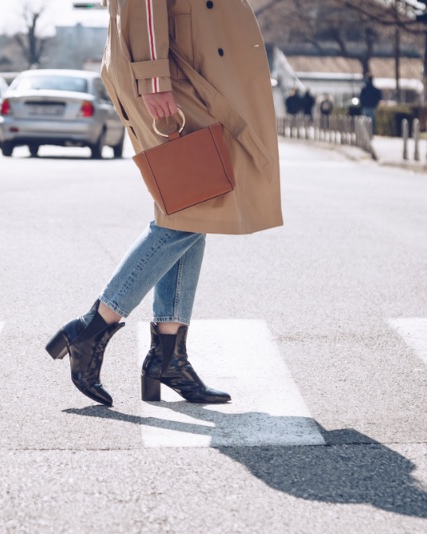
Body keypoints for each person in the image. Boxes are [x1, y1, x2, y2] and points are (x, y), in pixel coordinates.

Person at [46, 0, 283, 407]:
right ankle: (92, 328)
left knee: (195, 201)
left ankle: (167, 356)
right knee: (194, 205)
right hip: (167, 66)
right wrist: (153, 75)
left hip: (179, 61)